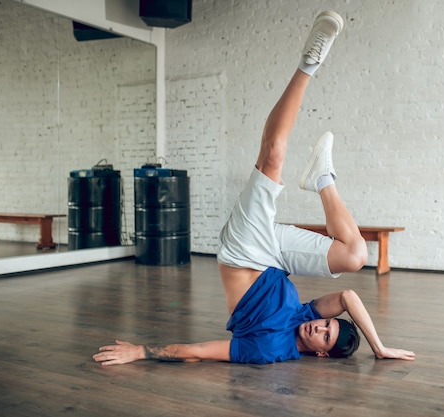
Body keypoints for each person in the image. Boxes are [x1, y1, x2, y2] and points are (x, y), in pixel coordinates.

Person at [93, 11, 415, 366]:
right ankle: (323, 178)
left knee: (273, 156)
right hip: (276, 255)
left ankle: (308, 63)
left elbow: (200, 352)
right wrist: (379, 347)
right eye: (325, 323)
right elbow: (349, 297)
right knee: (355, 256)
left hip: (243, 252)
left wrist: (141, 352)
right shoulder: (303, 316)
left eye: (324, 335)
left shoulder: (269, 350)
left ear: (322, 353)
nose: (317, 327)